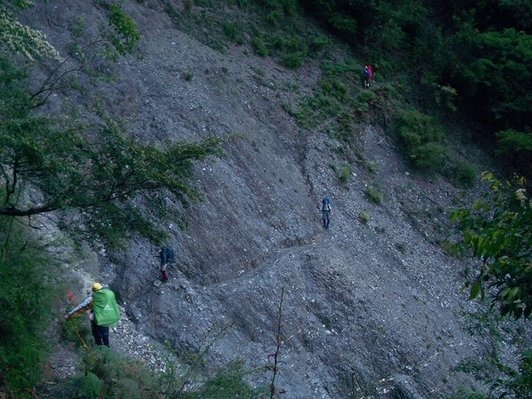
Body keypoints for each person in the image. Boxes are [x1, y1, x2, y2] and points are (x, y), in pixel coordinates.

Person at [65, 282, 120, 347]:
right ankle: (106, 348)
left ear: (93, 290)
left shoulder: (92, 299)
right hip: (105, 319)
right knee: (105, 335)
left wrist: (69, 315)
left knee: (97, 335)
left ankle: (100, 348)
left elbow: (81, 307)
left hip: (97, 320)